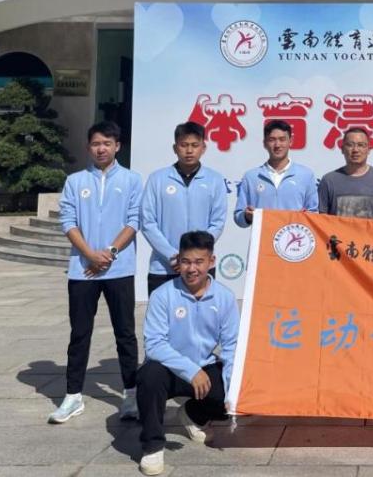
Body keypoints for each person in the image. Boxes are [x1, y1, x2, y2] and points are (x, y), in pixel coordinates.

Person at [48, 121, 142, 424]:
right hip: (82, 270)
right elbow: (67, 221)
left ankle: (131, 394)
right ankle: (73, 395)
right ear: (89, 147)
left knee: (125, 333)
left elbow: (134, 220)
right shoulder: (75, 181)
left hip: (119, 269)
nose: (101, 149)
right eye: (96, 143)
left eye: (107, 143)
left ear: (117, 146)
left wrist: (110, 253)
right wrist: (89, 254)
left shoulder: (132, 180)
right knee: (79, 334)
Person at [137, 231, 238, 476]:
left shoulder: (225, 298)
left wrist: (232, 392)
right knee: (148, 376)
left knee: (235, 390)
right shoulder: (163, 295)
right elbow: (154, 344)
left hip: (204, 368)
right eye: (186, 262)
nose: (192, 269)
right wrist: (191, 371)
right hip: (169, 369)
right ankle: (152, 446)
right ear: (178, 262)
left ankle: (192, 414)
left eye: (199, 262)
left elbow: (232, 347)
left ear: (211, 262)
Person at [141, 122, 228, 294]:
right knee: (162, 311)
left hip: (201, 267)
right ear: (175, 148)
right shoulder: (157, 179)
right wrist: (172, 256)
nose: (189, 150)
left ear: (203, 148)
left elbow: (217, 222)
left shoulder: (215, 180)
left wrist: (195, 256)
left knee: (202, 311)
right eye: (184, 145)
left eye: (195, 145)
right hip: (164, 267)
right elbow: (147, 222)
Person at [234, 119, 318, 227]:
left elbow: (314, 213)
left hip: (294, 236)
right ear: (265, 143)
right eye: (272, 140)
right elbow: (238, 216)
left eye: (282, 139)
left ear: (290, 141)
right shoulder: (251, 177)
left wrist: (305, 217)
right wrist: (246, 216)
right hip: (263, 237)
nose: (277, 145)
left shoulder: (306, 175)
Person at [317, 127, 373, 219]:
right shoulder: (329, 180)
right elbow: (322, 219)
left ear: (369, 149)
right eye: (350, 145)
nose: (355, 150)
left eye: (361, 145)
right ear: (342, 149)